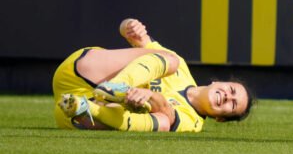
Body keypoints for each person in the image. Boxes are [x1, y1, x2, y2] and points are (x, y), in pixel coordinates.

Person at [54, 18, 253, 132]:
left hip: (75, 113)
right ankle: (117, 86)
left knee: (163, 123)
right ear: (218, 82)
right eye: (231, 90)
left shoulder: (193, 122)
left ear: (220, 119)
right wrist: (129, 25)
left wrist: (149, 97)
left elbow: (167, 113)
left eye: (232, 104)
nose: (228, 96)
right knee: (170, 59)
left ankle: (86, 107)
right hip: (85, 71)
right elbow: (136, 38)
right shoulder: (181, 67)